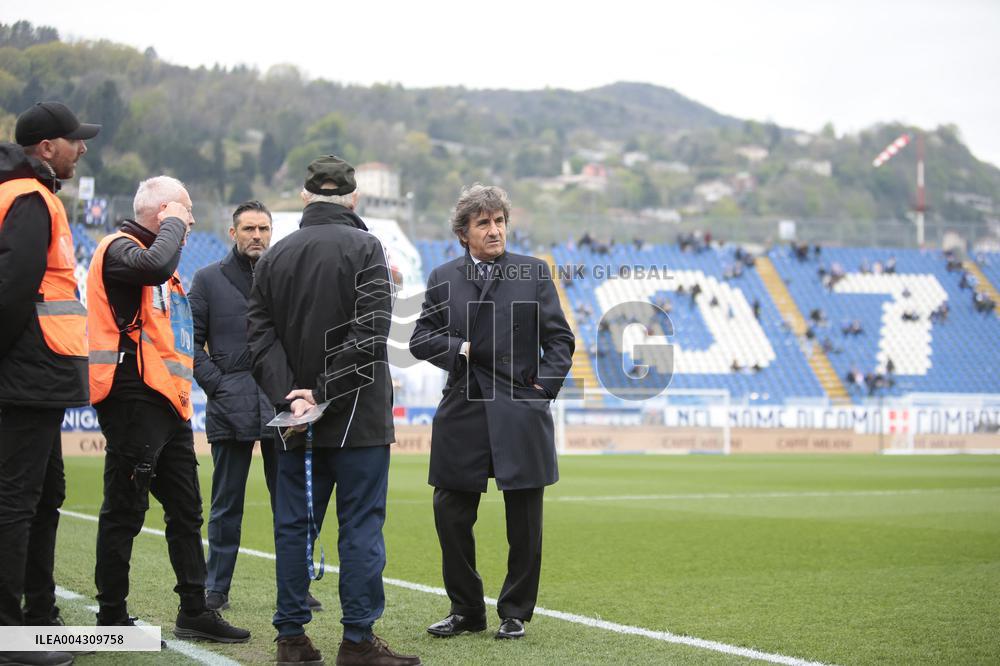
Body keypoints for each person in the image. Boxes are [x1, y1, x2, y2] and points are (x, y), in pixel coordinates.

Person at [248, 156, 419, 666]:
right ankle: (358, 641)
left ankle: (291, 638)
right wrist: (321, 394)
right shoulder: (368, 248)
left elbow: (258, 339)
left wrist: (295, 396)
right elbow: (371, 334)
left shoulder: (273, 256)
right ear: (353, 199)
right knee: (360, 528)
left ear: (305, 197)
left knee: (293, 527)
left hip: (295, 421)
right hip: (358, 420)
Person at [86, 176, 249, 643]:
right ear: (164, 213)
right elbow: (154, 265)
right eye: (185, 210)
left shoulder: (165, 268)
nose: (192, 220)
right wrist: (173, 222)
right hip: (132, 397)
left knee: (186, 509)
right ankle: (110, 619)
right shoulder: (119, 249)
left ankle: (194, 610)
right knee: (125, 509)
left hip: (168, 403)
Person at [409, 184, 574, 641]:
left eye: (499, 221)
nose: (494, 229)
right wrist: (459, 348)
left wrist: (541, 391)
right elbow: (420, 338)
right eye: (483, 223)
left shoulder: (532, 271)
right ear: (464, 233)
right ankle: (466, 610)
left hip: (519, 410)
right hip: (463, 408)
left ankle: (515, 611)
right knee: (450, 513)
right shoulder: (443, 276)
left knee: (525, 520)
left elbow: (560, 340)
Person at [0, 101, 99, 666]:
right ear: (46, 147)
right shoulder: (30, 199)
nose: (81, 148)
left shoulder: (28, 194)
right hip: (28, 374)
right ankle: (10, 633)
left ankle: (39, 616)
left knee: (44, 495)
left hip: (38, 374)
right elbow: (13, 291)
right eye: (73, 139)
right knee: (18, 500)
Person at [189, 201, 323, 614]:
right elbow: (188, 344)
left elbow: (303, 339)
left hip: (280, 404)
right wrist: (219, 386)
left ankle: (296, 587)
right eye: (249, 229)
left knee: (290, 504)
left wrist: (297, 392)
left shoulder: (286, 278)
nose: (257, 236)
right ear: (233, 233)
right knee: (226, 504)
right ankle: (216, 588)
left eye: (263, 229)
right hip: (230, 406)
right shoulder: (207, 280)